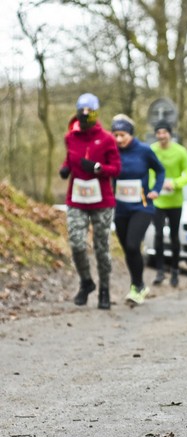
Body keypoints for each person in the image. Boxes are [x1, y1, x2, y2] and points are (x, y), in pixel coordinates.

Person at [59, 93, 121, 310]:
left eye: (90, 113)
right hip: (77, 198)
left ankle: (104, 289)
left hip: (101, 200)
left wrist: (98, 168)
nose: (85, 116)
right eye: (82, 112)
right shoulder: (70, 137)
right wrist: (65, 168)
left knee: (101, 248)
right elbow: (70, 159)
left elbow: (116, 169)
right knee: (76, 244)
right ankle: (86, 281)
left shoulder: (107, 139)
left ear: (96, 114)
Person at [110, 115, 164, 305]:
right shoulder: (111, 151)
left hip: (142, 206)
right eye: (115, 135)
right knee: (128, 250)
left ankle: (137, 286)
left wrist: (156, 189)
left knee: (133, 245)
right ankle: (138, 284)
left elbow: (160, 170)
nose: (119, 139)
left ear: (130, 134)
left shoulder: (144, 150)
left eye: (122, 135)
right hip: (120, 208)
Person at [150, 120, 187, 287]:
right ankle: (160, 271)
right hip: (158, 201)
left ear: (170, 134)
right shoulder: (152, 150)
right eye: (158, 132)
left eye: (164, 132)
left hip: (175, 201)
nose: (161, 136)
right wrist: (155, 185)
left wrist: (175, 183)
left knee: (174, 236)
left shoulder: (180, 151)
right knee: (158, 235)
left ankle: (175, 270)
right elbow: (147, 171)